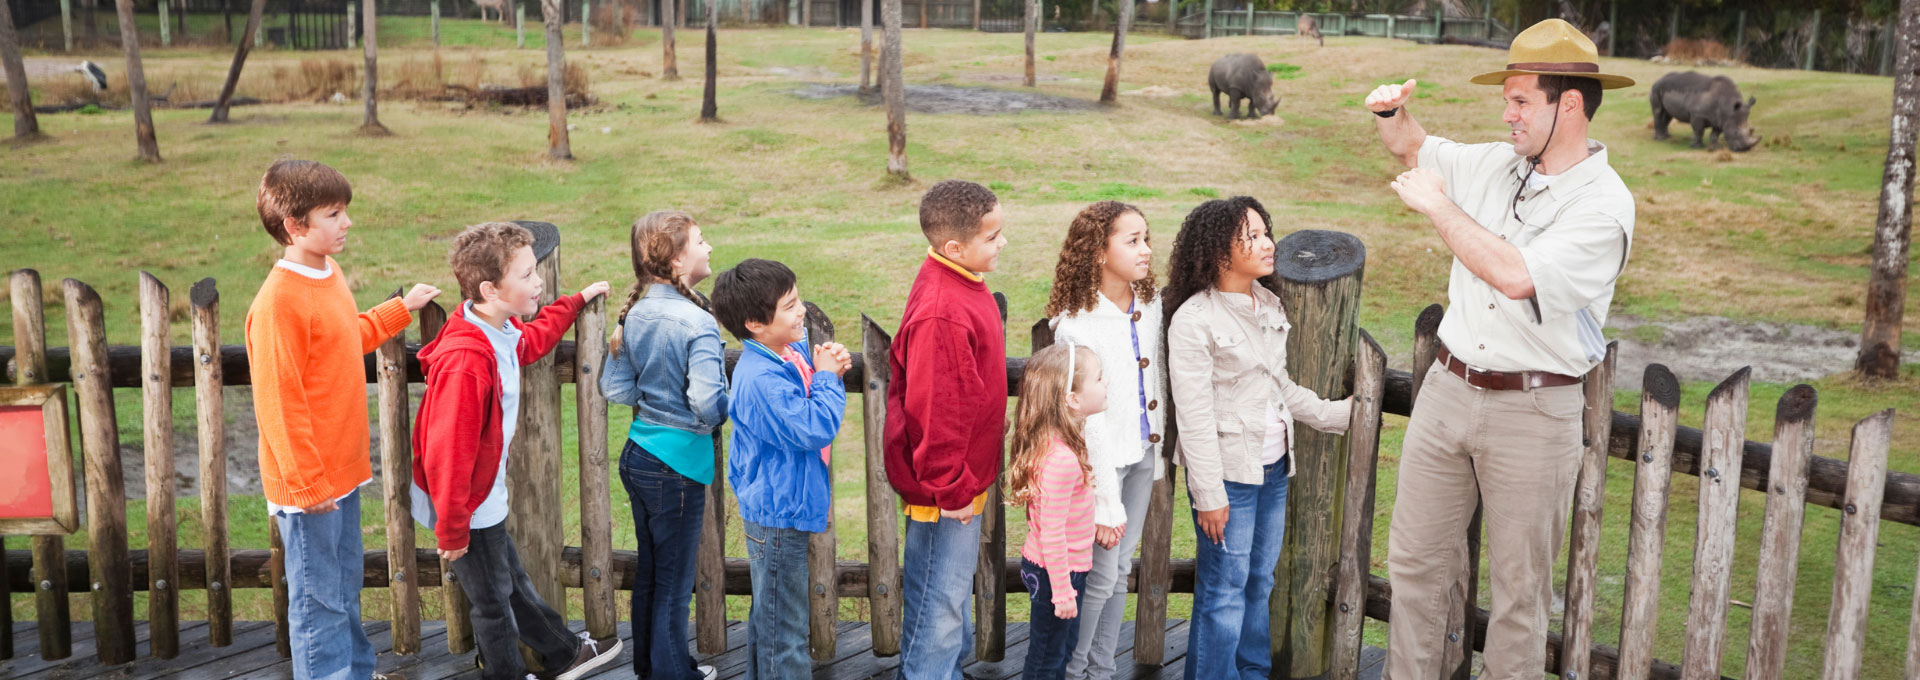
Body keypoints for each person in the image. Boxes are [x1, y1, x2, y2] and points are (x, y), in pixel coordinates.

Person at [1364, 18, 1635, 680]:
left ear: (1567, 104)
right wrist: (1392, 111)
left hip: (1534, 410)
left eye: (1520, 100)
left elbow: (1518, 276)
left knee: (1519, 596)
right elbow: (1414, 148)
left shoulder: (1605, 206)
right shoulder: (1497, 161)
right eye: (1507, 99)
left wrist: (1438, 210)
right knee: (1415, 566)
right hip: (1448, 390)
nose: (1507, 113)